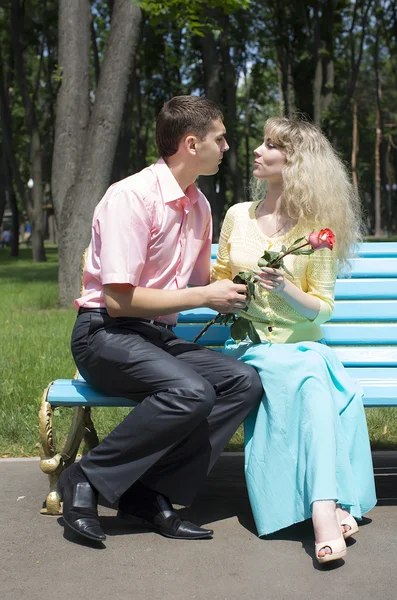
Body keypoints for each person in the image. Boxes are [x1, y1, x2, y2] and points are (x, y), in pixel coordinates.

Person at [57, 95, 263, 544]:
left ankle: (148, 493)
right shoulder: (130, 198)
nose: (227, 146)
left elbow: (202, 282)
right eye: (220, 137)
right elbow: (117, 300)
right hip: (103, 334)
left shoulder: (200, 206)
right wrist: (204, 294)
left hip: (153, 336)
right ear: (192, 143)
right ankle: (84, 479)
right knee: (190, 390)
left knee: (242, 382)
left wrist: (251, 276)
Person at [211, 116, 377, 565]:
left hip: (300, 349)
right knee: (315, 379)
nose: (258, 151)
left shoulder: (317, 228)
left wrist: (285, 286)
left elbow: (322, 307)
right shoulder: (237, 216)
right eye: (262, 142)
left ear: (296, 163)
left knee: (311, 377)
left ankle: (322, 510)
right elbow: (220, 280)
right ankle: (333, 506)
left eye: (271, 146)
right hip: (251, 348)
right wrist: (231, 294)